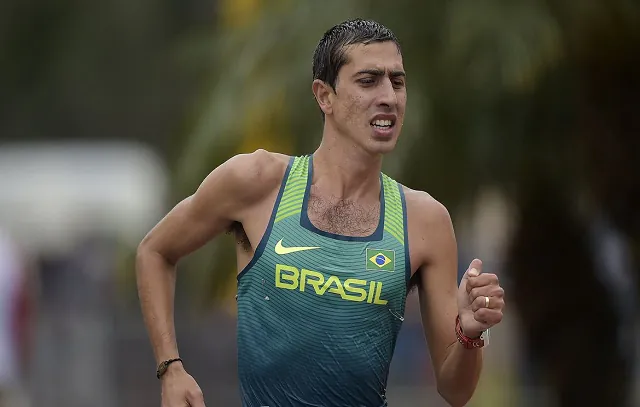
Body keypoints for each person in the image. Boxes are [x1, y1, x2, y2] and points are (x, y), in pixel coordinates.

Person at [136, 18, 506, 407]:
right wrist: (170, 368)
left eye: (397, 82)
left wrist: (468, 333)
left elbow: (456, 390)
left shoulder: (424, 220)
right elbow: (154, 251)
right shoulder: (257, 182)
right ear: (324, 96)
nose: (389, 97)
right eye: (368, 80)